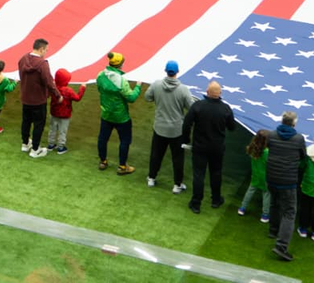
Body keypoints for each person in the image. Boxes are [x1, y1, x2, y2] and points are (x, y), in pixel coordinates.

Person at [182, 82, 235, 214]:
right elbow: (232, 127)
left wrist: (186, 139)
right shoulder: (225, 108)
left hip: (200, 147)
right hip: (217, 148)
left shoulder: (198, 106)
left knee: (198, 175)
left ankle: (196, 203)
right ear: (220, 93)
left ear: (207, 92)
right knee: (216, 173)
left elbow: (186, 124)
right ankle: (216, 199)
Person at [144, 60, 194, 193]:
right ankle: (177, 185)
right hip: (177, 130)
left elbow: (147, 97)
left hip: (159, 128)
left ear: (166, 71)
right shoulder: (183, 89)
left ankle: (151, 178)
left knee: (156, 154)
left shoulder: (156, 85)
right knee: (178, 158)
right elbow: (191, 108)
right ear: (177, 72)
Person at [262, 110, 306, 261]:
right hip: (288, 181)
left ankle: (273, 230)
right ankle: (281, 246)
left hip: (272, 178)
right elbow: (303, 155)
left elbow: (268, 147)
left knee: (274, 203)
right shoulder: (298, 139)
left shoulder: (272, 135)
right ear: (294, 123)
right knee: (289, 212)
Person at [97, 52, 143, 174]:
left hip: (106, 114)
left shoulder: (100, 75)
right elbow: (131, 98)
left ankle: (103, 161)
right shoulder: (121, 81)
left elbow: (100, 90)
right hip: (121, 117)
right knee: (125, 141)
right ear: (120, 65)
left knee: (103, 139)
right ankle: (122, 166)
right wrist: (138, 87)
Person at [18, 39, 60, 158]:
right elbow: (49, 82)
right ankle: (35, 149)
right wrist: (57, 95)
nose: (46, 52)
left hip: (25, 97)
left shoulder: (23, 59)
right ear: (41, 49)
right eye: (46, 50)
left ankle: (25, 143)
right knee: (38, 125)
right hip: (38, 100)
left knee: (26, 121)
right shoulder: (42, 64)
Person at [43, 67, 84, 153]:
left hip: (54, 113)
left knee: (52, 129)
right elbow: (77, 98)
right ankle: (61, 147)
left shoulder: (53, 88)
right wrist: (82, 88)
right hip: (65, 115)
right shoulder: (68, 91)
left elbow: (47, 94)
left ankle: (51, 144)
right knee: (62, 131)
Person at [238, 131, 271, 223]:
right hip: (266, 177)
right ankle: (265, 215)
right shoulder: (267, 152)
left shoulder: (252, 148)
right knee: (266, 194)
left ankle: (242, 208)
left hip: (255, 175)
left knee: (250, 191)